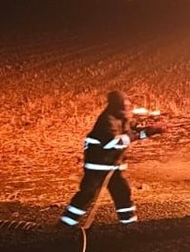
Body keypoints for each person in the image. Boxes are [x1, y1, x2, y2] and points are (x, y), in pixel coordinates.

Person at [60, 90, 164, 230]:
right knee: (87, 194)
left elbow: (134, 132)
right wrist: (139, 134)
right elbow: (114, 142)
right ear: (117, 106)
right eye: (125, 105)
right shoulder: (107, 120)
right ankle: (65, 225)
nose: (128, 108)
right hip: (98, 167)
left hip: (112, 167)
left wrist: (152, 130)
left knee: (122, 193)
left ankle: (130, 225)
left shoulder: (121, 118)